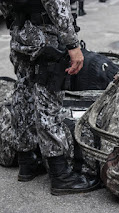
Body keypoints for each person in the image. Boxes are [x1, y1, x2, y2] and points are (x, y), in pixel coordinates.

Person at [0, 0, 100, 195]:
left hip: (21, 33)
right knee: (48, 102)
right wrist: (72, 44)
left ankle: (27, 161)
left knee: (24, 95)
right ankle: (60, 174)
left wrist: (18, 22)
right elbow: (56, 3)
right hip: (45, 35)